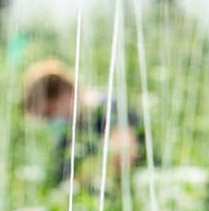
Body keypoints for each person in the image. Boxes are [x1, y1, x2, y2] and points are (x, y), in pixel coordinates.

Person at [20, 58, 139, 187]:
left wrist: (80, 180)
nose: (52, 121)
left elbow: (123, 158)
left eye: (49, 113)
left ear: (64, 94)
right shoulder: (70, 132)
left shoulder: (111, 112)